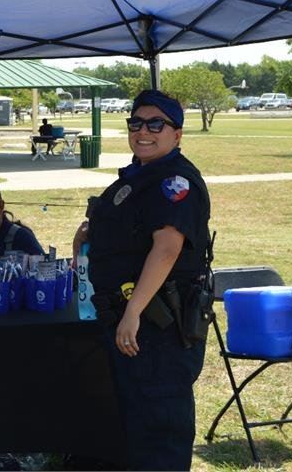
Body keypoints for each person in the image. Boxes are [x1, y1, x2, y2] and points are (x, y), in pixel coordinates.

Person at [71, 90, 210, 471]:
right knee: (138, 429)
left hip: (157, 327)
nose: (143, 131)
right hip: (131, 322)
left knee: (159, 434)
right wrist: (90, 234)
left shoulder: (174, 182)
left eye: (155, 124)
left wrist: (134, 311)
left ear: (177, 134)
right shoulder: (142, 175)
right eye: (136, 123)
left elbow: (167, 248)